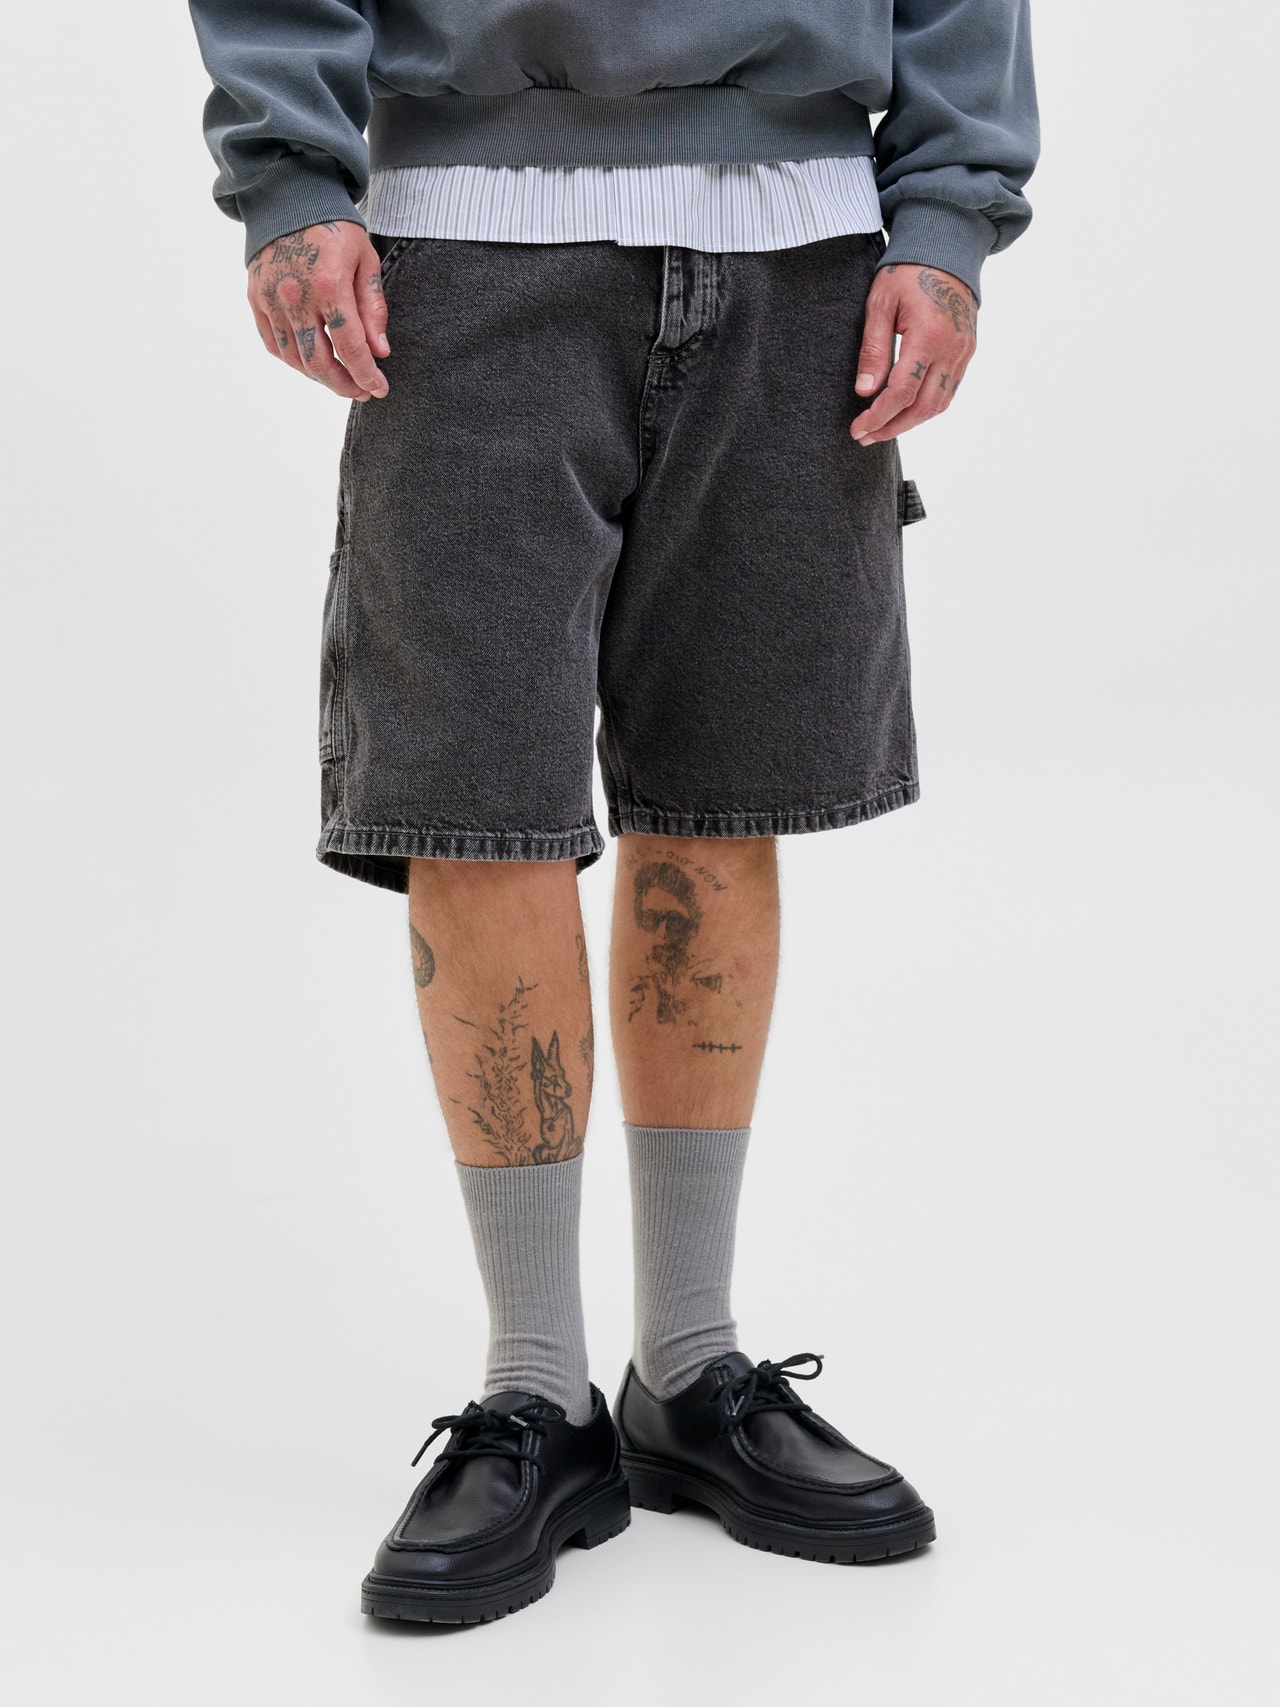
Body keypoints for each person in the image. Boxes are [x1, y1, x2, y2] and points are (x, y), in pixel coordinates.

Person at [189, 0, 1038, 1623]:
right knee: (476, 807)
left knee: (723, 801)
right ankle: (537, 1389)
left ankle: (692, 1370)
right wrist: (291, 181)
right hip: (461, 247)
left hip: (807, 250)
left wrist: (947, 213)